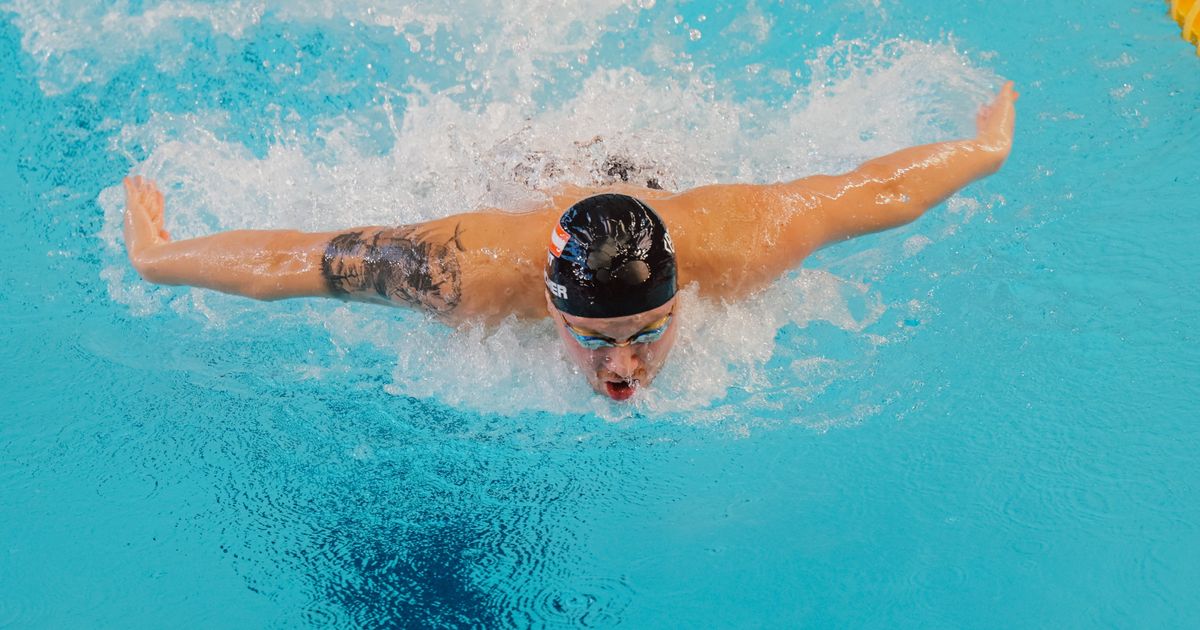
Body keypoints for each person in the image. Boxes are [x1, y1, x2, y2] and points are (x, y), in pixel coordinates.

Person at [123, 83, 1018, 401]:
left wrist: (984, 150)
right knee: (515, 158)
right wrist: (157, 257)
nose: (622, 369)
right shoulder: (470, 274)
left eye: (646, 331)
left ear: (681, 293)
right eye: (592, 338)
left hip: (657, 175)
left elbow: (881, 191)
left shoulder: (740, 243)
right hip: (532, 188)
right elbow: (299, 263)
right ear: (549, 306)